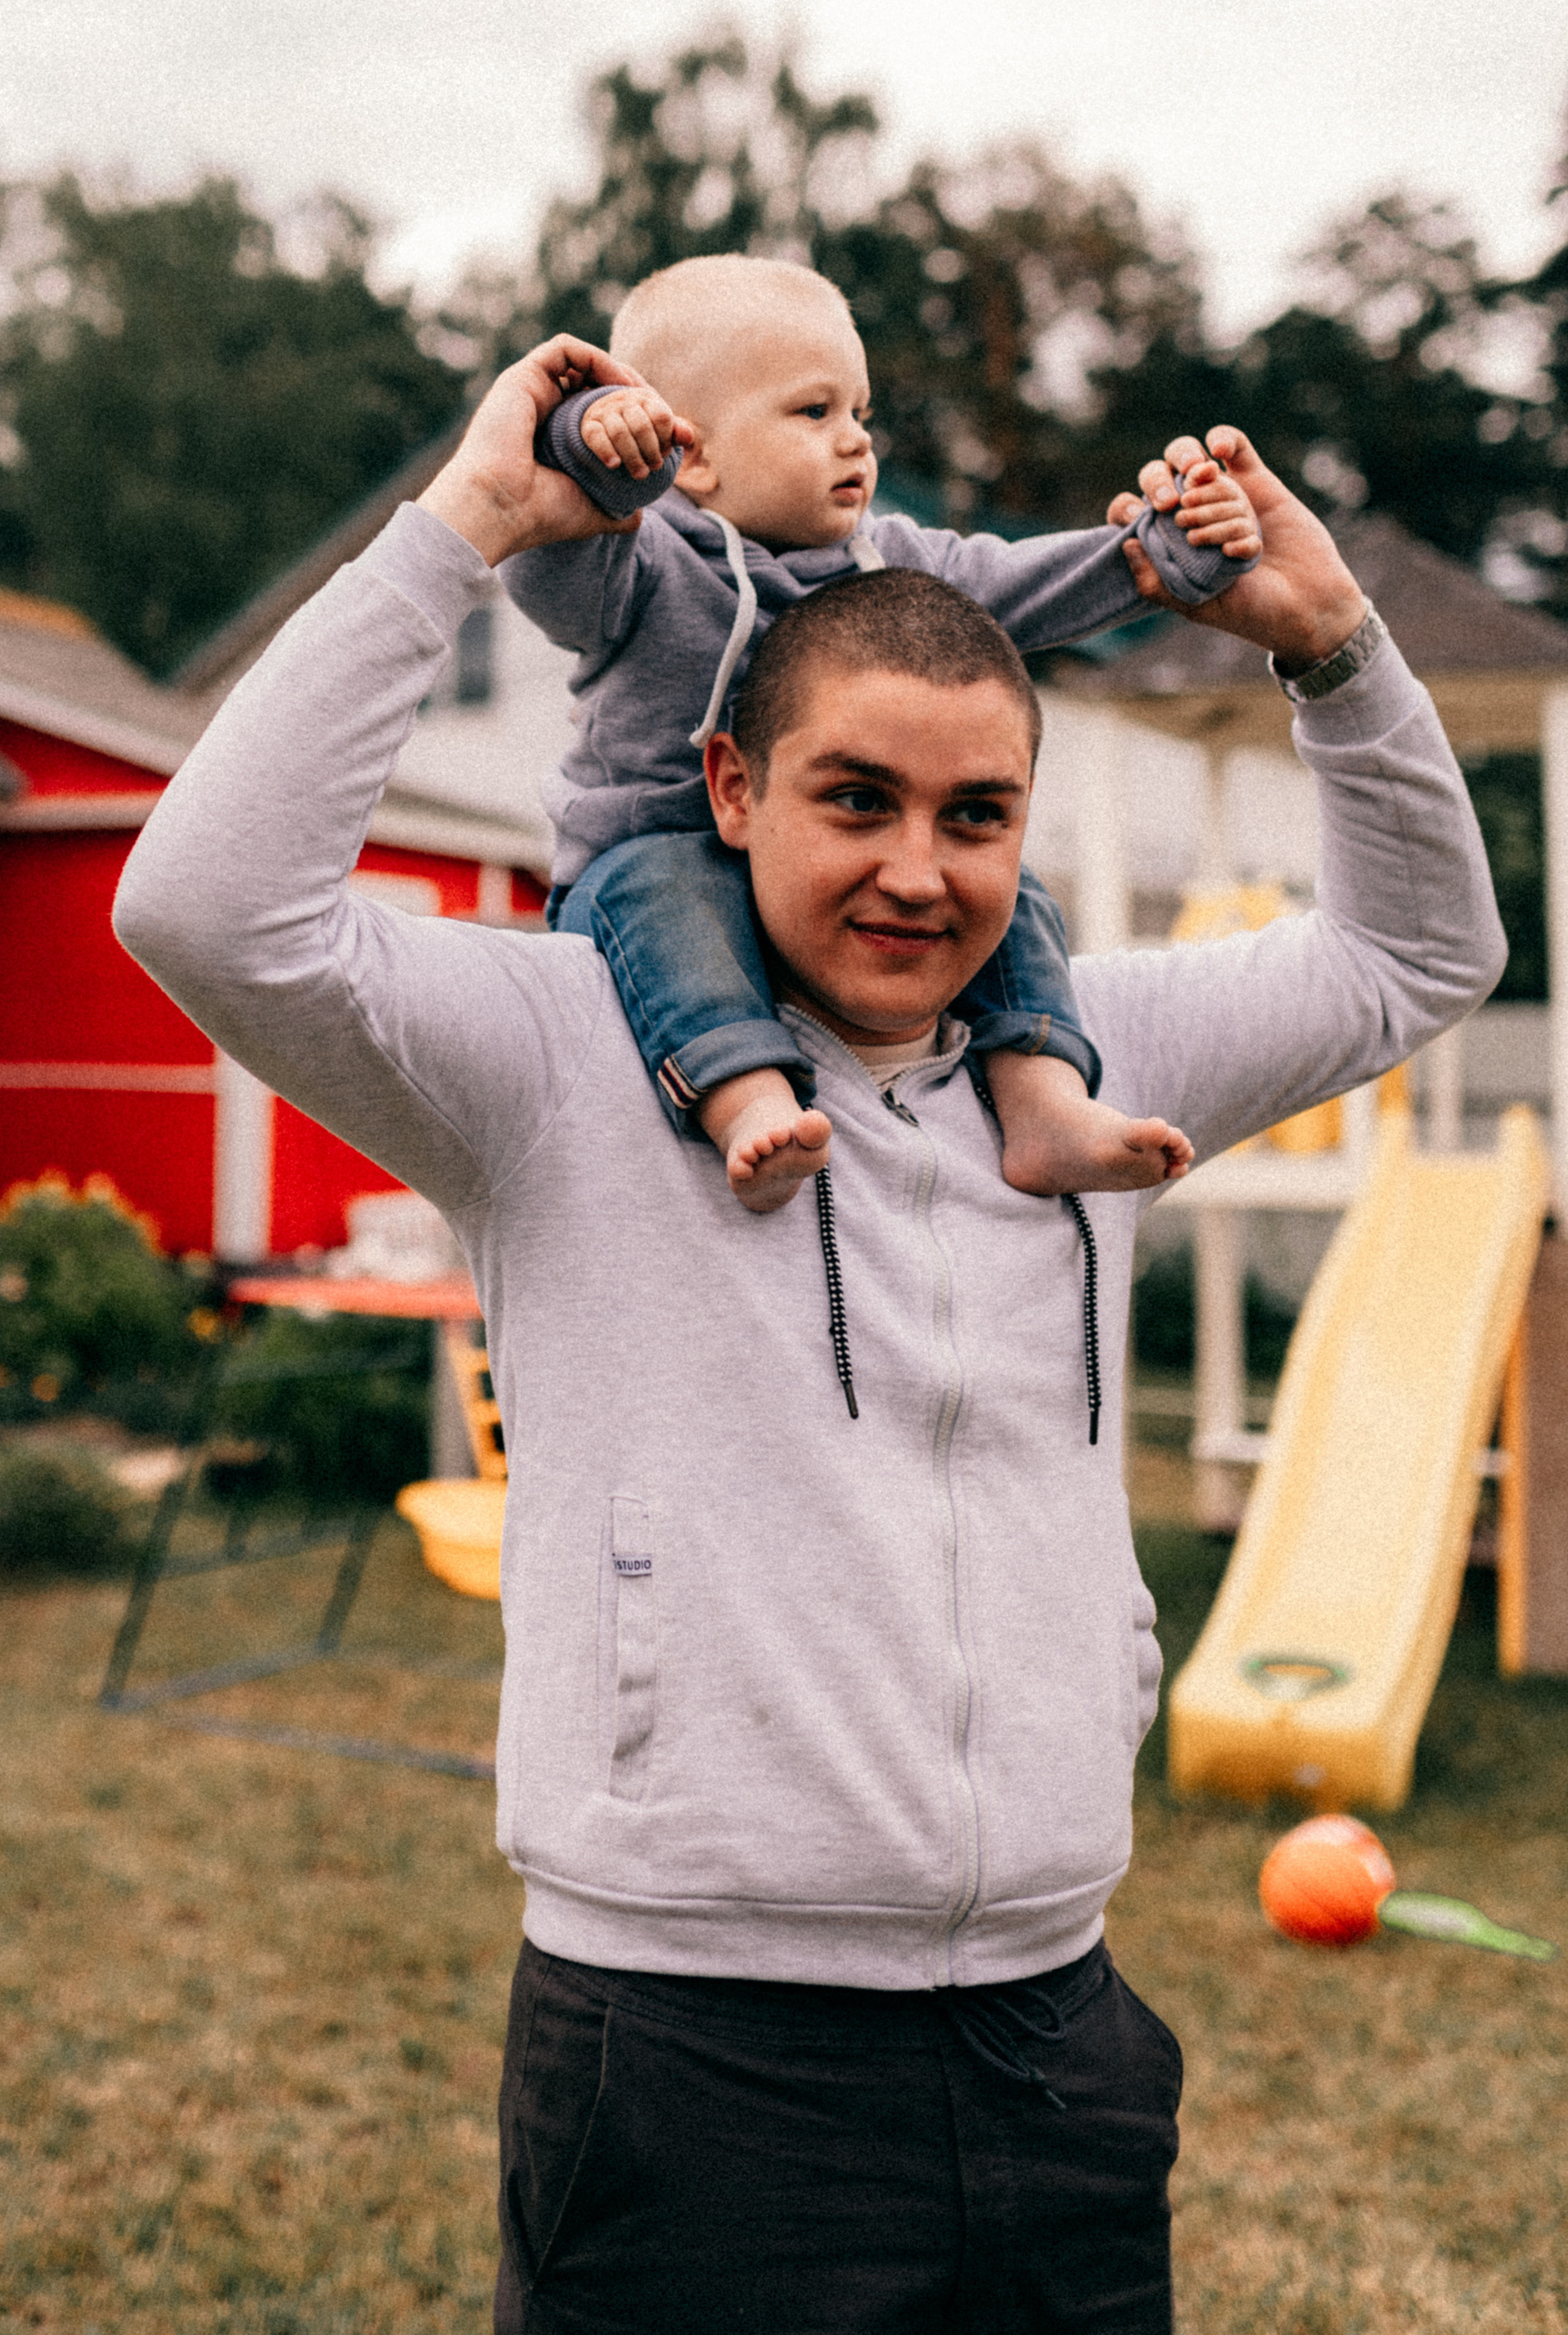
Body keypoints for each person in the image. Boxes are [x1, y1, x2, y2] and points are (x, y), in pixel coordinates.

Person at [111, 336, 1504, 2333]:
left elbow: (1419, 950)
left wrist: (1337, 647)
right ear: (726, 782)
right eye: (852, 799)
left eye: (974, 814)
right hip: (692, 2060)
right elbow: (208, 908)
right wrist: (465, 526)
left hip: (1056, 2035)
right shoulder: (555, 1058)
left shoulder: (1092, 1056)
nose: (914, 872)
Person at [506, 254, 1259, 1210]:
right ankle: (747, 1104)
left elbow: (1016, 588)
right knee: (666, 902)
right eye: (813, 413)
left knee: (1010, 896)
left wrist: (1154, 555)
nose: (855, 444)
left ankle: (1041, 1100)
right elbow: (547, 560)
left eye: (860, 414)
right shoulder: (641, 562)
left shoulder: (885, 560)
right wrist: (591, 445)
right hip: (661, 851)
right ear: (688, 453)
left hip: (832, 876)